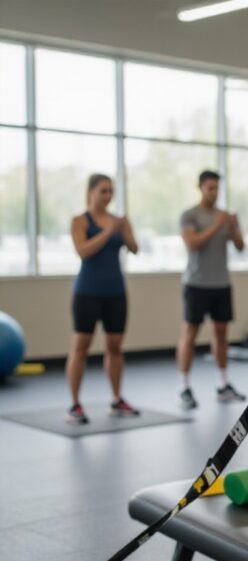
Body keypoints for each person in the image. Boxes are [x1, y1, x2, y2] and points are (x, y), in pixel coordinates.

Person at [66, 174, 139, 425]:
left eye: (111, 191)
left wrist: (125, 230)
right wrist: (109, 230)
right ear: (91, 192)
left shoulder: (118, 221)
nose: (108, 196)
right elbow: (83, 251)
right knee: (81, 347)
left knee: (115, 346)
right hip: (87, 292)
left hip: (115, 292)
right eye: (103, 191)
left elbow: (135, 248)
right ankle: (75, 404)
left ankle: (117, 399)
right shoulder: (80, 221)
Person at [176, 170, 246, 409]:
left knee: (221, 334)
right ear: (200, 188)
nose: (214, 193)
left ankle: (222, 384)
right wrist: (217, 225)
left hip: (221, 283)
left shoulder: (225, 216)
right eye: (210, 188)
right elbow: (193, 243)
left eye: (217, 188)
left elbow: (240, 246)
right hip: (196, 283)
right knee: (190, 334)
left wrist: (234, 228)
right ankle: (184, 386)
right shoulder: (190, 215)